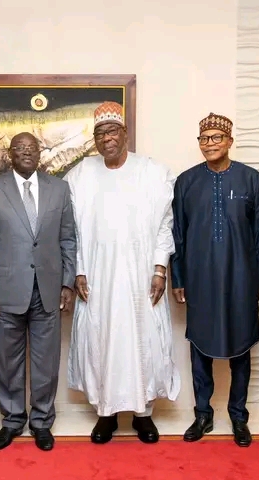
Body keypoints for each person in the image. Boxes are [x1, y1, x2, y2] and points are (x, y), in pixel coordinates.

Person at [64, 101, 180, 444]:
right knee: (101, 339)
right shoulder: (81, 175)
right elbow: (71, 229)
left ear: (125, 133)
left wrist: (160, 268)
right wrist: (79, 270)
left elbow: (165, 224)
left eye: (112, 131)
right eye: (100, 133)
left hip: (141, 274)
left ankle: (144, 414)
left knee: (144, 339)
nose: (106, 138)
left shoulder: (153, 172)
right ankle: (106, 414)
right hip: (97, 275)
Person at [0, 132, 76, 452]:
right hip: (4, 291)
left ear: (40, 153)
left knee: (46, 362)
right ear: (10, 153)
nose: (27, 152)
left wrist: (67, 282)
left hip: (47, 289)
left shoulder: (59, 189)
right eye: (20, 148)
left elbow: (68, 239)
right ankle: (13, 420)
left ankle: (41, 421)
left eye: (32, 148)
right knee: (7, 362)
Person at [171, 113, 259, 447]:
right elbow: (178, 234)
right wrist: (178, 277)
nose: (209, 144)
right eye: (204, 138)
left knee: (241, 345)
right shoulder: (186, 181)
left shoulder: (251, 178)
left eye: (216, 138)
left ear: (229, 141)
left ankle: (239, 417)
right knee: (200, 346)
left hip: (241, 276)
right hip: (199, 276)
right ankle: (203, 414)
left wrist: (258, 278)